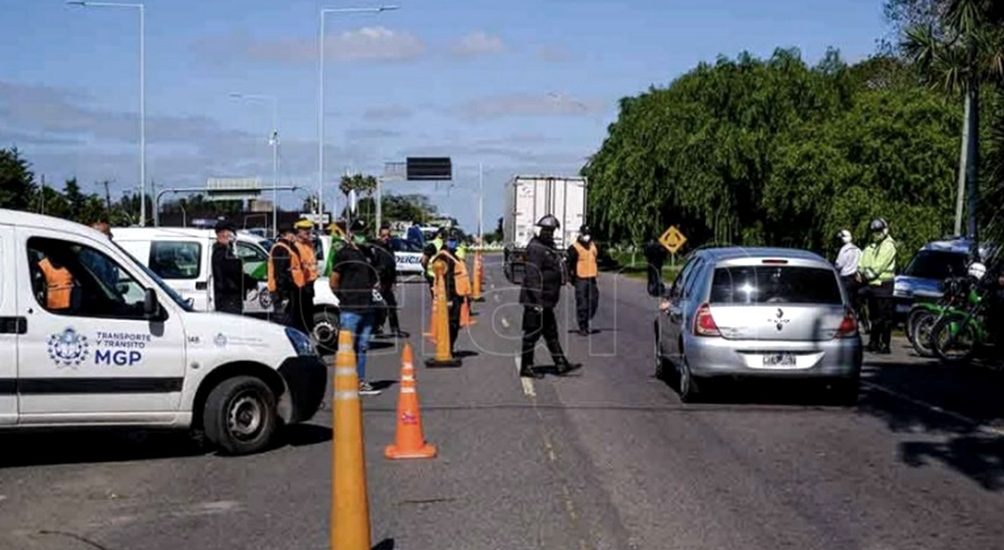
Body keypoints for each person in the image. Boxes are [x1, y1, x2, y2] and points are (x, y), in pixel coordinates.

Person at [519, 214, 581, 378]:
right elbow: (532, 276)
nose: (550, 234)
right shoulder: (535, 248)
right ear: (539, 230)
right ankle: (526, 367)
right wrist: (537, 301)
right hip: (536, 301)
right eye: (547, 230)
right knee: (531, 334)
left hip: (546, 301)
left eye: (552, 231)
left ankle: (561, 364)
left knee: (551, 333)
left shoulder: (546, 247)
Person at [330, 219, 381, 396]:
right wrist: (344, 297)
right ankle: (345, 380)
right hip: (350, 308)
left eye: (364, 232)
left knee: (363, 346)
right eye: (359, 232)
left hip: (368, 307)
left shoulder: (368, 252)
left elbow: (373, 275)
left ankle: (359, 381)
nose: (362, 236)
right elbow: (334, 281)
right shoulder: (343, 254)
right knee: (347, 347)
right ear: (351, 233)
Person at [857, 218, 897, 354]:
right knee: (874, 317)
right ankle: (873, 342)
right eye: (874, 231)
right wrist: (860, 272)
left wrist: (864, 275)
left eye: (878, 231)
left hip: (884, 286)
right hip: (873, 285)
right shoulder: (872, 247)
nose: (876, 233)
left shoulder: (888, 246)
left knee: (884, 318)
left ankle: (885, 345)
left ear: (885, 230)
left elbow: (878, 267)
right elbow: (863, 262)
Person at [429, 229, 472, 354]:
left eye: (455, 240)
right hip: (450, 296)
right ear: (445, 241)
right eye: (451, 240)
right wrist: (447, 299)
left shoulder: (452, 255)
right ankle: (447, 348)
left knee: (454, 323)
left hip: (456, 295)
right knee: (451, 324)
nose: (454, 243)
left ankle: (448, 348)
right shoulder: (444, 256)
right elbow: (446, 280)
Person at [268, 225, 309, 333]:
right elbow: (280, 274)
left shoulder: (289, 247)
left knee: (292, 321)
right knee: (284, 322)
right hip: (283, 292)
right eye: (292, 234)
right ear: (284, 235)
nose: (294, 236)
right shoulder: (280, 248)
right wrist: (284, 295)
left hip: (293, 290)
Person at [211, 220, 258, 315]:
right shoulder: (224, 253)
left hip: (226, 297)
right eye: (231, 232)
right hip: (229, 298)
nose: (233, 235)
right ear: (223, 233)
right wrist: (252, 282)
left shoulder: (220, 251)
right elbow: (236, 274)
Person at [371, 225, 408, 338]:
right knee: (378, 307)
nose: (386, 238)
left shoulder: (389, 247)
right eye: (383, 236)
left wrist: (394, 281)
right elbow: (372, 265)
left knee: (391, 305)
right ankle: (375, 329)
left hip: (387, 281)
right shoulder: (375, 248)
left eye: (388, 236)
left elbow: (391, 265)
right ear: (379, 236)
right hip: (378, 282)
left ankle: (395, 329)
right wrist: (375, 281)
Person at [567, 224, 600, 336]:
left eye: (588, 234)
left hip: (592, 278)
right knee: (582, 304)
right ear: (580, 234)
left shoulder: (593, 246)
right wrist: (570, 278)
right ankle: (583, 327)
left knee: (594, 300)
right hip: (580, 279)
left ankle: (587, 318)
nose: (587, 236)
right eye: (585, 234)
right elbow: (569, 264)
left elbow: (595, 258)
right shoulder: (574, 248)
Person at [293, 219, 319, 332]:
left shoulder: (309, 245)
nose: (308, 232)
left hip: (310, 283)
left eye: (309, 229)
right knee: (300, 316)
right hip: (301, 286)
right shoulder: (295, 246)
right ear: (298, 231)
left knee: (308, 315)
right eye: (305, 230)